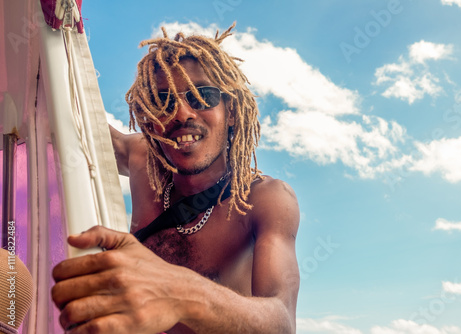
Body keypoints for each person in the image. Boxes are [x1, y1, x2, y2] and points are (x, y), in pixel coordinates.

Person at [51, 23, 300, 334]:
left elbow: (281, 322)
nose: (182, 114)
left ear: (232, 111)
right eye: (163, 101)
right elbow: (70, 122)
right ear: (149, 121)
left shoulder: (265, 200)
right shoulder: (141, 158)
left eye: (201, 96)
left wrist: (181, 293)